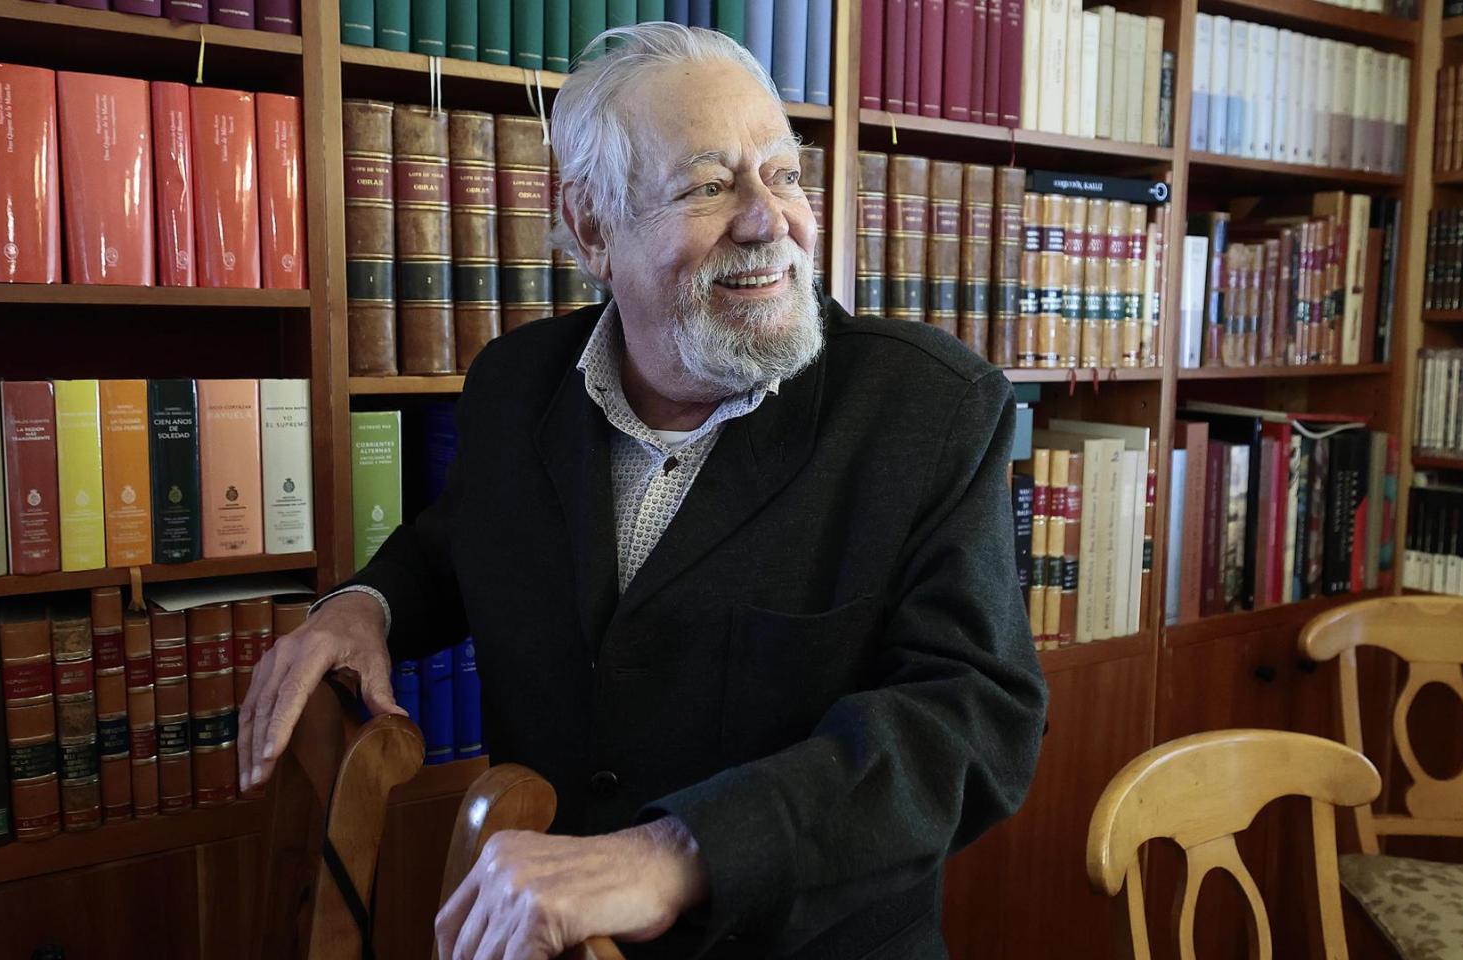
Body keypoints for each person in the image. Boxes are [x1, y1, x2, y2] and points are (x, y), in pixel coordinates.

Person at [237, 22, 1046, 960]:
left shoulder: (929, 407)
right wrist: (362, 607)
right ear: (590, 227)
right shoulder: (517, 383)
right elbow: (461, 541)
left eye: (782, 174)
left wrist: (680, 849)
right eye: (708, 185)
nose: (765, 219)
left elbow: (974, 721)